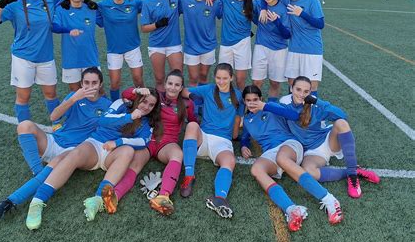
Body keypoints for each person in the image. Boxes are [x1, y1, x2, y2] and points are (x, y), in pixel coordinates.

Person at [25, 89, 162, 230]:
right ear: (138, 98)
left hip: (113, 154)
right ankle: (37, 201)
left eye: (151, 105)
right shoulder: (121, 104)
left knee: (128, 150)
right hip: (96, 145)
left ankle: (97, 199)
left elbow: (142, 141)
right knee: (75, 153)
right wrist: (129, 117)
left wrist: (118, 142)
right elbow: (103, 120)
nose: (146, 107)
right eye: (144, 101)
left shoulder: (148, 123)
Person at [0, 68, 112, 219]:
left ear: (100, 85)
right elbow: (54, 116)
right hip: (55, 141)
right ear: (81, 84)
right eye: (86, 82)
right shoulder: (74, 96)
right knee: (24, 126)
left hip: (73, 150)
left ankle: (10, 202)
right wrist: (74, 99)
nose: (90, 86)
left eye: (94, 83)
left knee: (56, 162)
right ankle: (38, 171)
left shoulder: (107, 105)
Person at [241, 85, 343, 230]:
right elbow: (244, 136)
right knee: (256, 169)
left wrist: (266, 106)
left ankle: (329, 199)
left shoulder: (272, 108)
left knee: (282, 158)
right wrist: (244, 145)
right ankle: (292, 209)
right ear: (244, 102)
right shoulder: (247, 120)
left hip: (289, 144)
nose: (252, 103)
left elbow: (295, 115)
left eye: (255, 99)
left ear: (261, 99)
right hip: (270, 152)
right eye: (248, 100)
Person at [108, 70, 197, 216]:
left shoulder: (187, 104)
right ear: (165, 84)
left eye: (177, 85)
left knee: (178, 154)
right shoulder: (156, 97)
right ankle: (114, 196)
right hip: (148, 140)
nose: (172, 88)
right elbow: (126, 94)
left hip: (167, 144)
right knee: (135, 164)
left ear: (181, 88)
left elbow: (193, 121)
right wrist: (137, 90)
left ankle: (163, 197)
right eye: (170, 83)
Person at [0, 0, 65, 123]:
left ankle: (57, 125)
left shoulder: (51, 0)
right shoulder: (14, 3)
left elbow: (74, 1)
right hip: (23, 57)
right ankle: (24, 129)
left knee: (51, 94)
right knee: (23, 96)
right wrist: (1, 4)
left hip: (46, 57)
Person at [283, 76, 380, 199]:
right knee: (308, 172)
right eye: (298, 89)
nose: (301, 94)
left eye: (306, 91)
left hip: (327, 141)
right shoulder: (284, 104)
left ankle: (353, 176)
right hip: (311, 152)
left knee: (341, 123)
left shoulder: (315, 107)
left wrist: (318, 101)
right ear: (291, 88)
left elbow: (342, 115)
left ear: (310, 92)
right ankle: (353, 172)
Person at [180, 63, 244, 219]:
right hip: (204, 137)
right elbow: (183, 90)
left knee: (229, 161)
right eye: (218, 78)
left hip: (222, 141)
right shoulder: (208, 89)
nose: (221, 81)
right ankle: (189, 176)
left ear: (231, 78)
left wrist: (235, 135)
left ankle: (220, 198)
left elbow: (237, 119)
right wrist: (191, 96)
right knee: (193, 125)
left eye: (225, 78)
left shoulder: (238, 95)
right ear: (214, 77)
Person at [260, 0, 325, 95]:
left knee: (311, 87)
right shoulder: (286, 0)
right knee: (292, 84)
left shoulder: (312, 0)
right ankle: (292, 113)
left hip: (312, 50)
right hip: (294, 49)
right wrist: (263, 9)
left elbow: (320, 24)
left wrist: (302, 13)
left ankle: (309, 113)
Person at [97, 0, 144, 101]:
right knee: (114, 83)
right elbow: (96, 18)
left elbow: (151, 4)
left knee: (138, 80)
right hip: (113, 50)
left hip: (133, 48)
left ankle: (142, 102)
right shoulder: (102, 5)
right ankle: (115, 105)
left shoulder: (135, 3)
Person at [53, 0, 101, 91]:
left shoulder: (92, 8)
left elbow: (104, 21)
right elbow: (54, 27)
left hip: (90, 57)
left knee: (96, 91)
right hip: (71, 59)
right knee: (76, 93)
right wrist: (69, 30)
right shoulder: (61, 9)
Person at [141, 0, 184, 92]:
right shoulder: (148, 2)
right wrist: (157, 24)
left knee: (178, 78)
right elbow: (144, 28)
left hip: (174, 44)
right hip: (157, 45)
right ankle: (161, 105)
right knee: (160, 79)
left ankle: (178, 106)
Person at [209, 0, 253, 90]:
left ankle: (240, 103)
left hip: (243, 43)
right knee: (224, 78)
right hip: (226, 44)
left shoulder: (252, 3)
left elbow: (264, 3)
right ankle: (225, 103)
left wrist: (263, 10)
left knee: (240, 79)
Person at [180, 0, 223, 87]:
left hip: (208, 45)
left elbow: (224, 10)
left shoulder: (214, 1)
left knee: (204, 76)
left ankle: (201, 101)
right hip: (191, 46)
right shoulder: (184, 0)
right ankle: (193, 102)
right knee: (193, 78)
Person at [252, 0, 291, 102]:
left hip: (279, 50)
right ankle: (255, 109)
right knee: (257, 82)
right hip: (261, 47)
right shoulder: (258, 4)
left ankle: (271, 109)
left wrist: (277, 21)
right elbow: (243, 4)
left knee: (275, 83)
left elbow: (287, 35)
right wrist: (262, 9)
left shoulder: (284, 7)